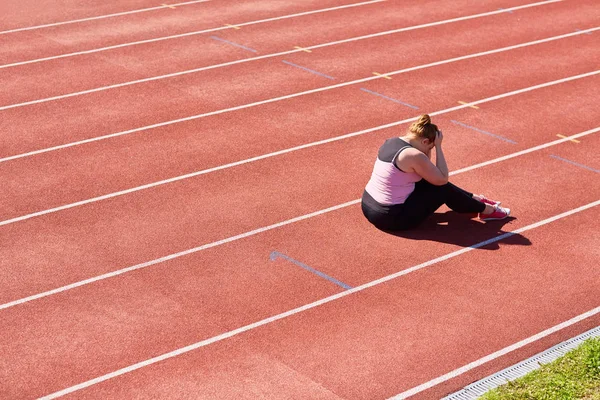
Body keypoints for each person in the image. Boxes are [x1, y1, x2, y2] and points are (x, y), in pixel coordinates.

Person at [361, 114, 510, 231]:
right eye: (430, 147)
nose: (430, 151)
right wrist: (439, 146)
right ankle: (486, 210)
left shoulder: (392, 141)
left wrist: (431, 147)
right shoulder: (413, 155)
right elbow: (442, 179)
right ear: (425, 142)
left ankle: (475, 199)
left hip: (368, 206)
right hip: (390, 218)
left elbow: (429, 172)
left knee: (429, 180)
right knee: (441, 188)